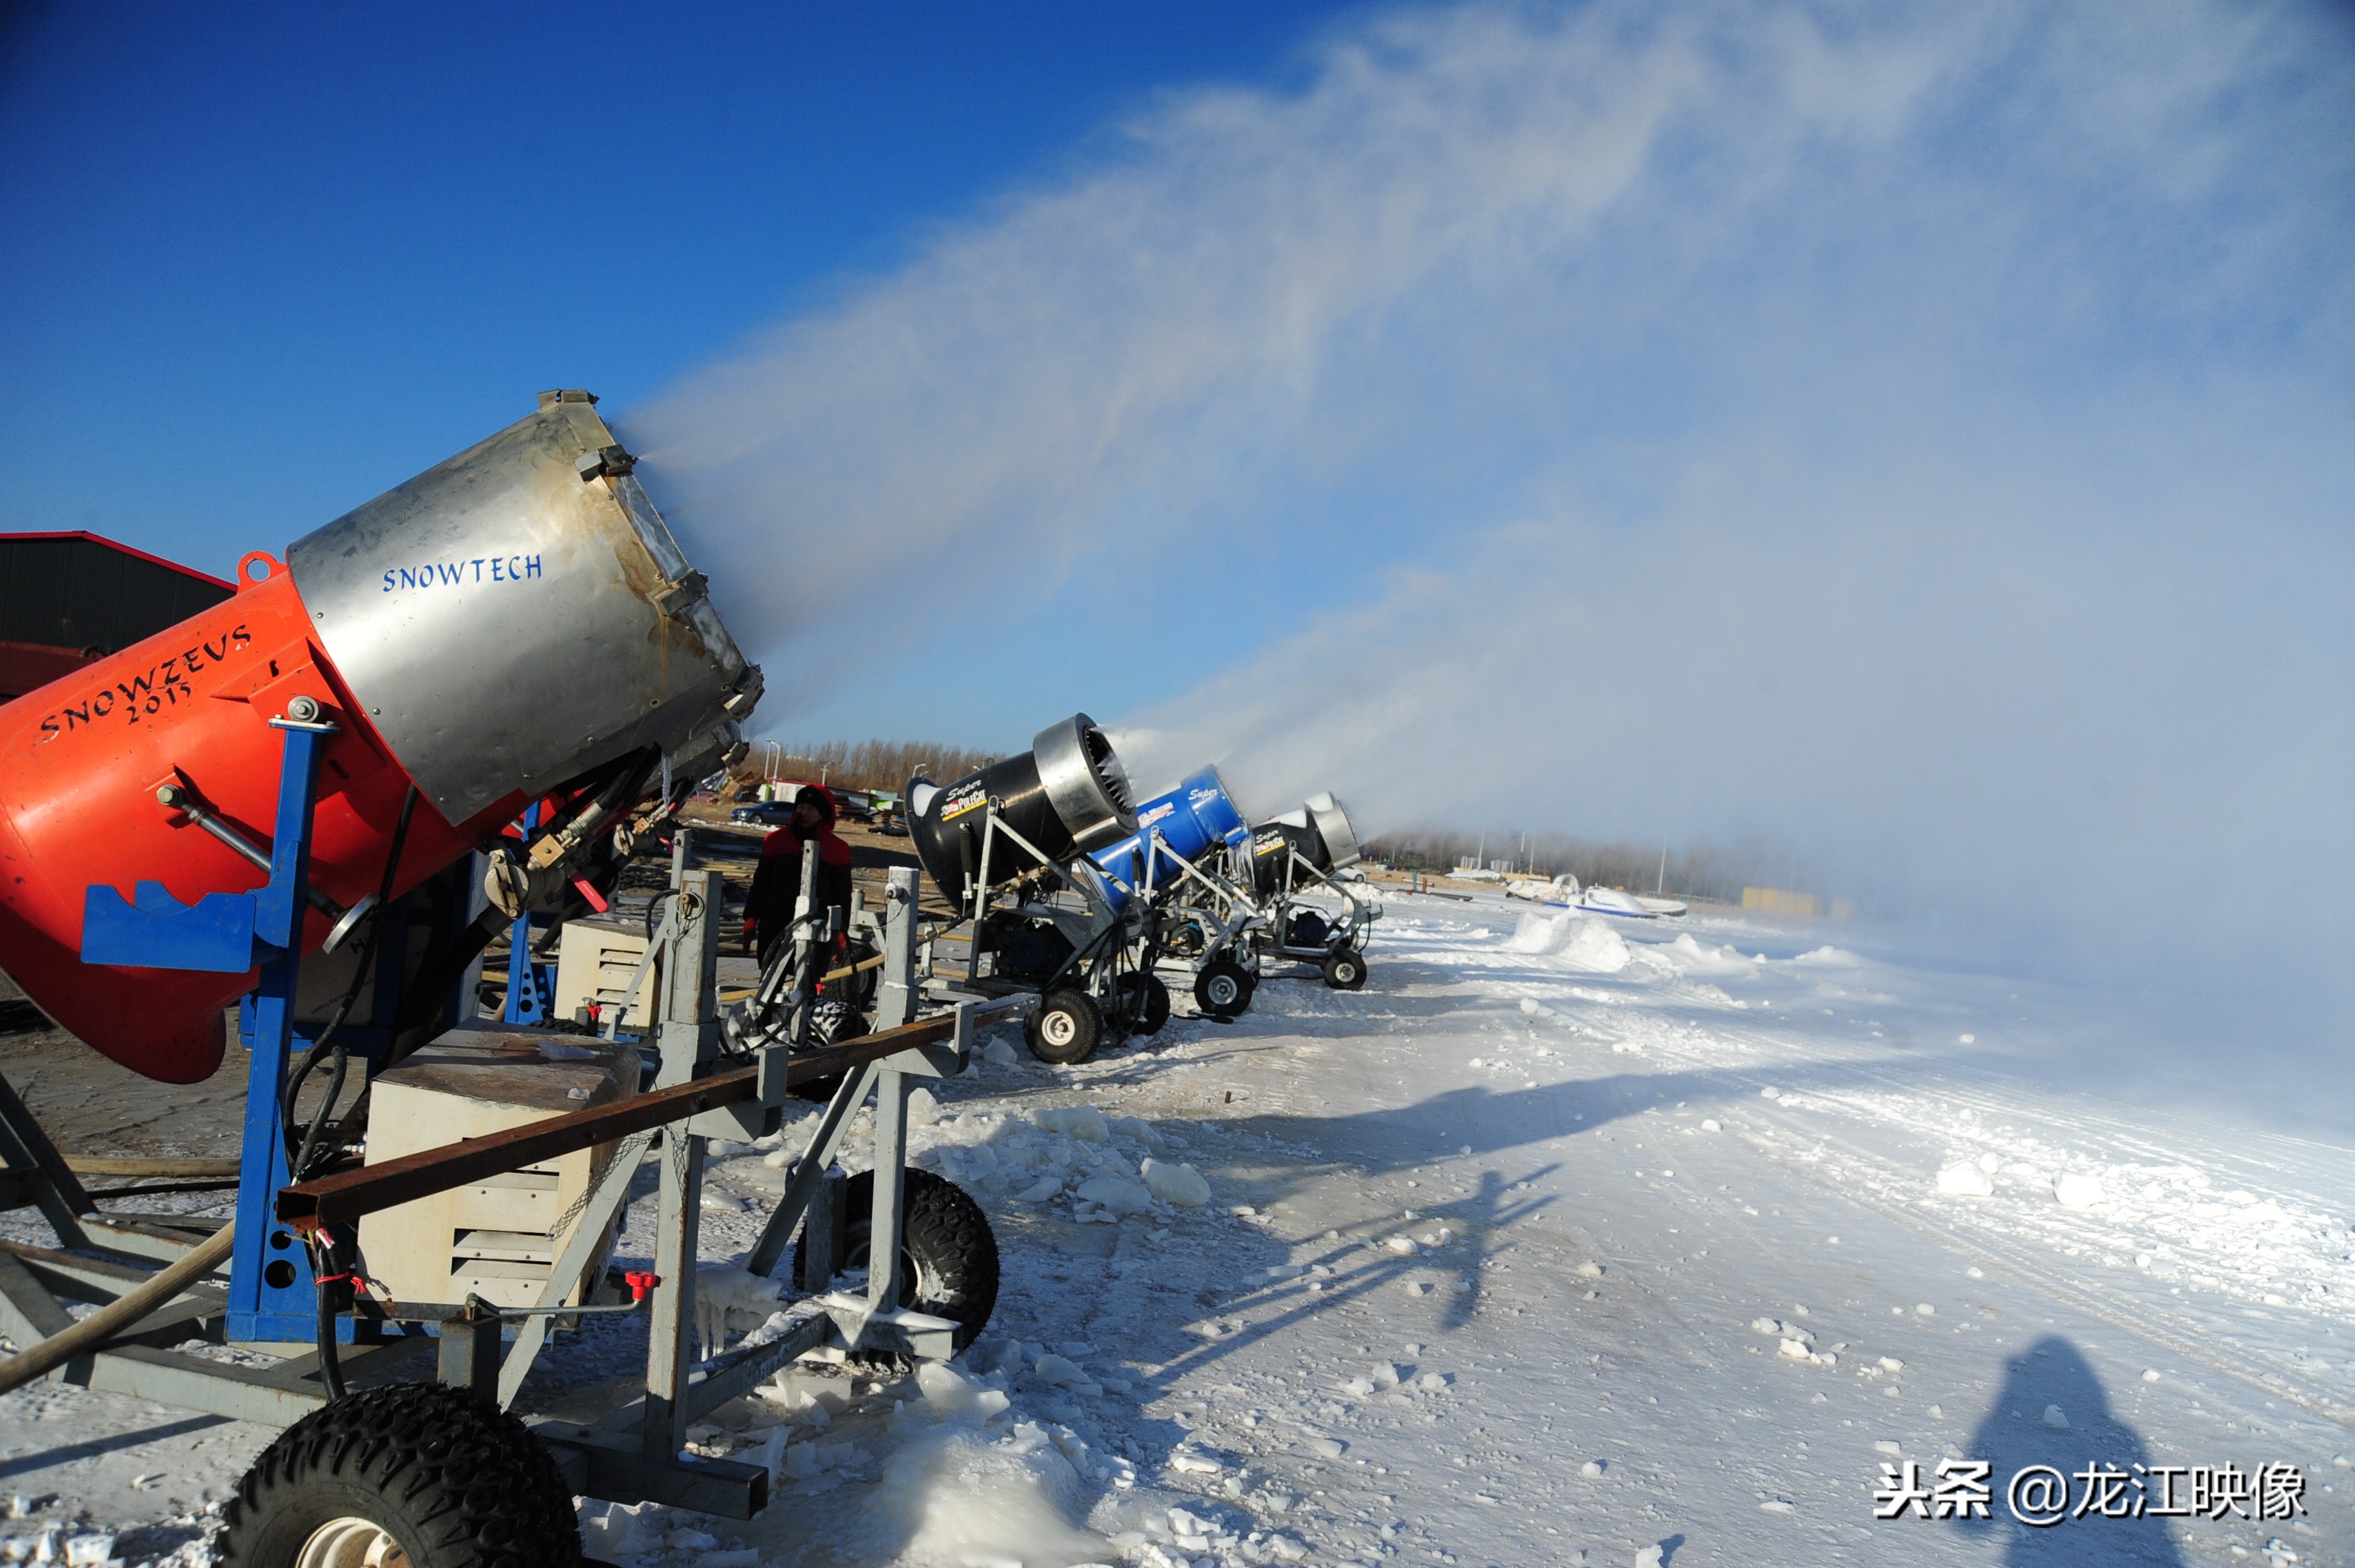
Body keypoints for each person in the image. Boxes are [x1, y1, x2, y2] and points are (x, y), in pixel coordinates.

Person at [743, 785, 853, 968]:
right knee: (769, 986)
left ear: (822, 814)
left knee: (808, 989)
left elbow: (842, 895)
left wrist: (840, 935)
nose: (804, 813)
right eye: (801, 807)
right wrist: (751, 919)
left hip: (817, 931)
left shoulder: (837, 849)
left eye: (811, 809)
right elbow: (760, 884)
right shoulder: (775, 841)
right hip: (774, 927)